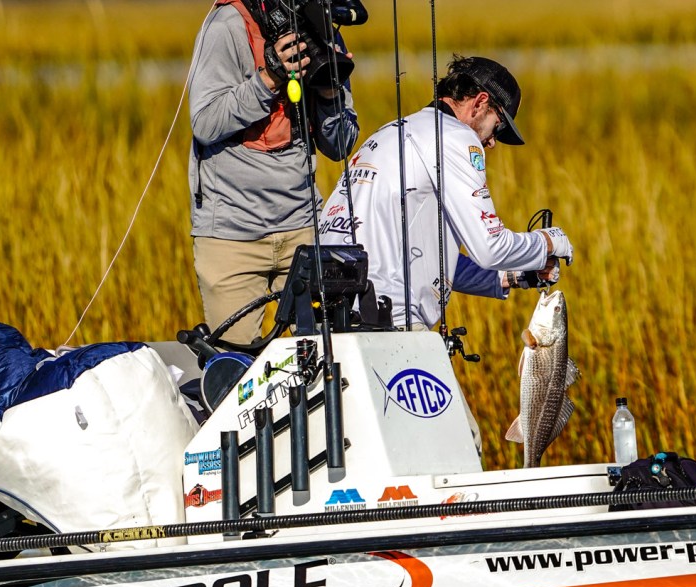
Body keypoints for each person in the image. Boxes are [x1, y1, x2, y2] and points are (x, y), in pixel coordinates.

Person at [318, 55, 573, 330]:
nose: (492, 143)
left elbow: (431, 259)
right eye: (498, 127)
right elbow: (490, 247)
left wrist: (514, 276)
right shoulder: (455, 136)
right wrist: (549, 241)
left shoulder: (388, 132)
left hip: (327, 313)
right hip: (384, 320)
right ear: (480, 103)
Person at [187, 0, 360, 345]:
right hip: (232, 235)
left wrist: (329, 93)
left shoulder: (324, 32)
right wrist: (269, 78)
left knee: (320, 356)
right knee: (236, 364)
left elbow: (340, 144)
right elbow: (205, 123)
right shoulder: (226, 25)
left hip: (303, 227)